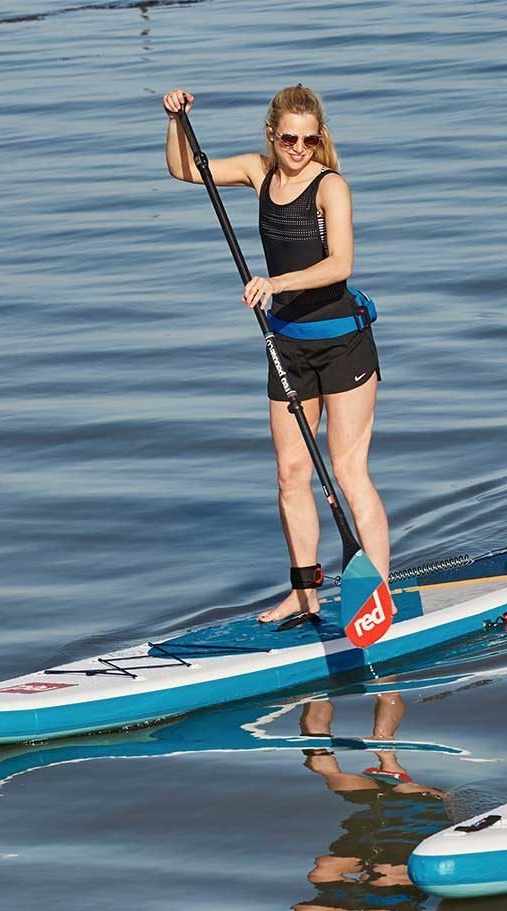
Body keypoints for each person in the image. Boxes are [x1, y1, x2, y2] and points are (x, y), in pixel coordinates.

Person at [161, 84, 391, 623]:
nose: (298, 148)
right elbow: (185, 170)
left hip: (342, 343)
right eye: (288, 138)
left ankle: (375, 596)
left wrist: (275, 283)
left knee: (349, 471)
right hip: (286, 344)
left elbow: (341, 265)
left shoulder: (331, 186)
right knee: (290, 473)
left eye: (309, 140)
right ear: (272, 134)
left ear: (319, 140)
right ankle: (305, 591)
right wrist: (174, 121)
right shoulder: (257, 172)